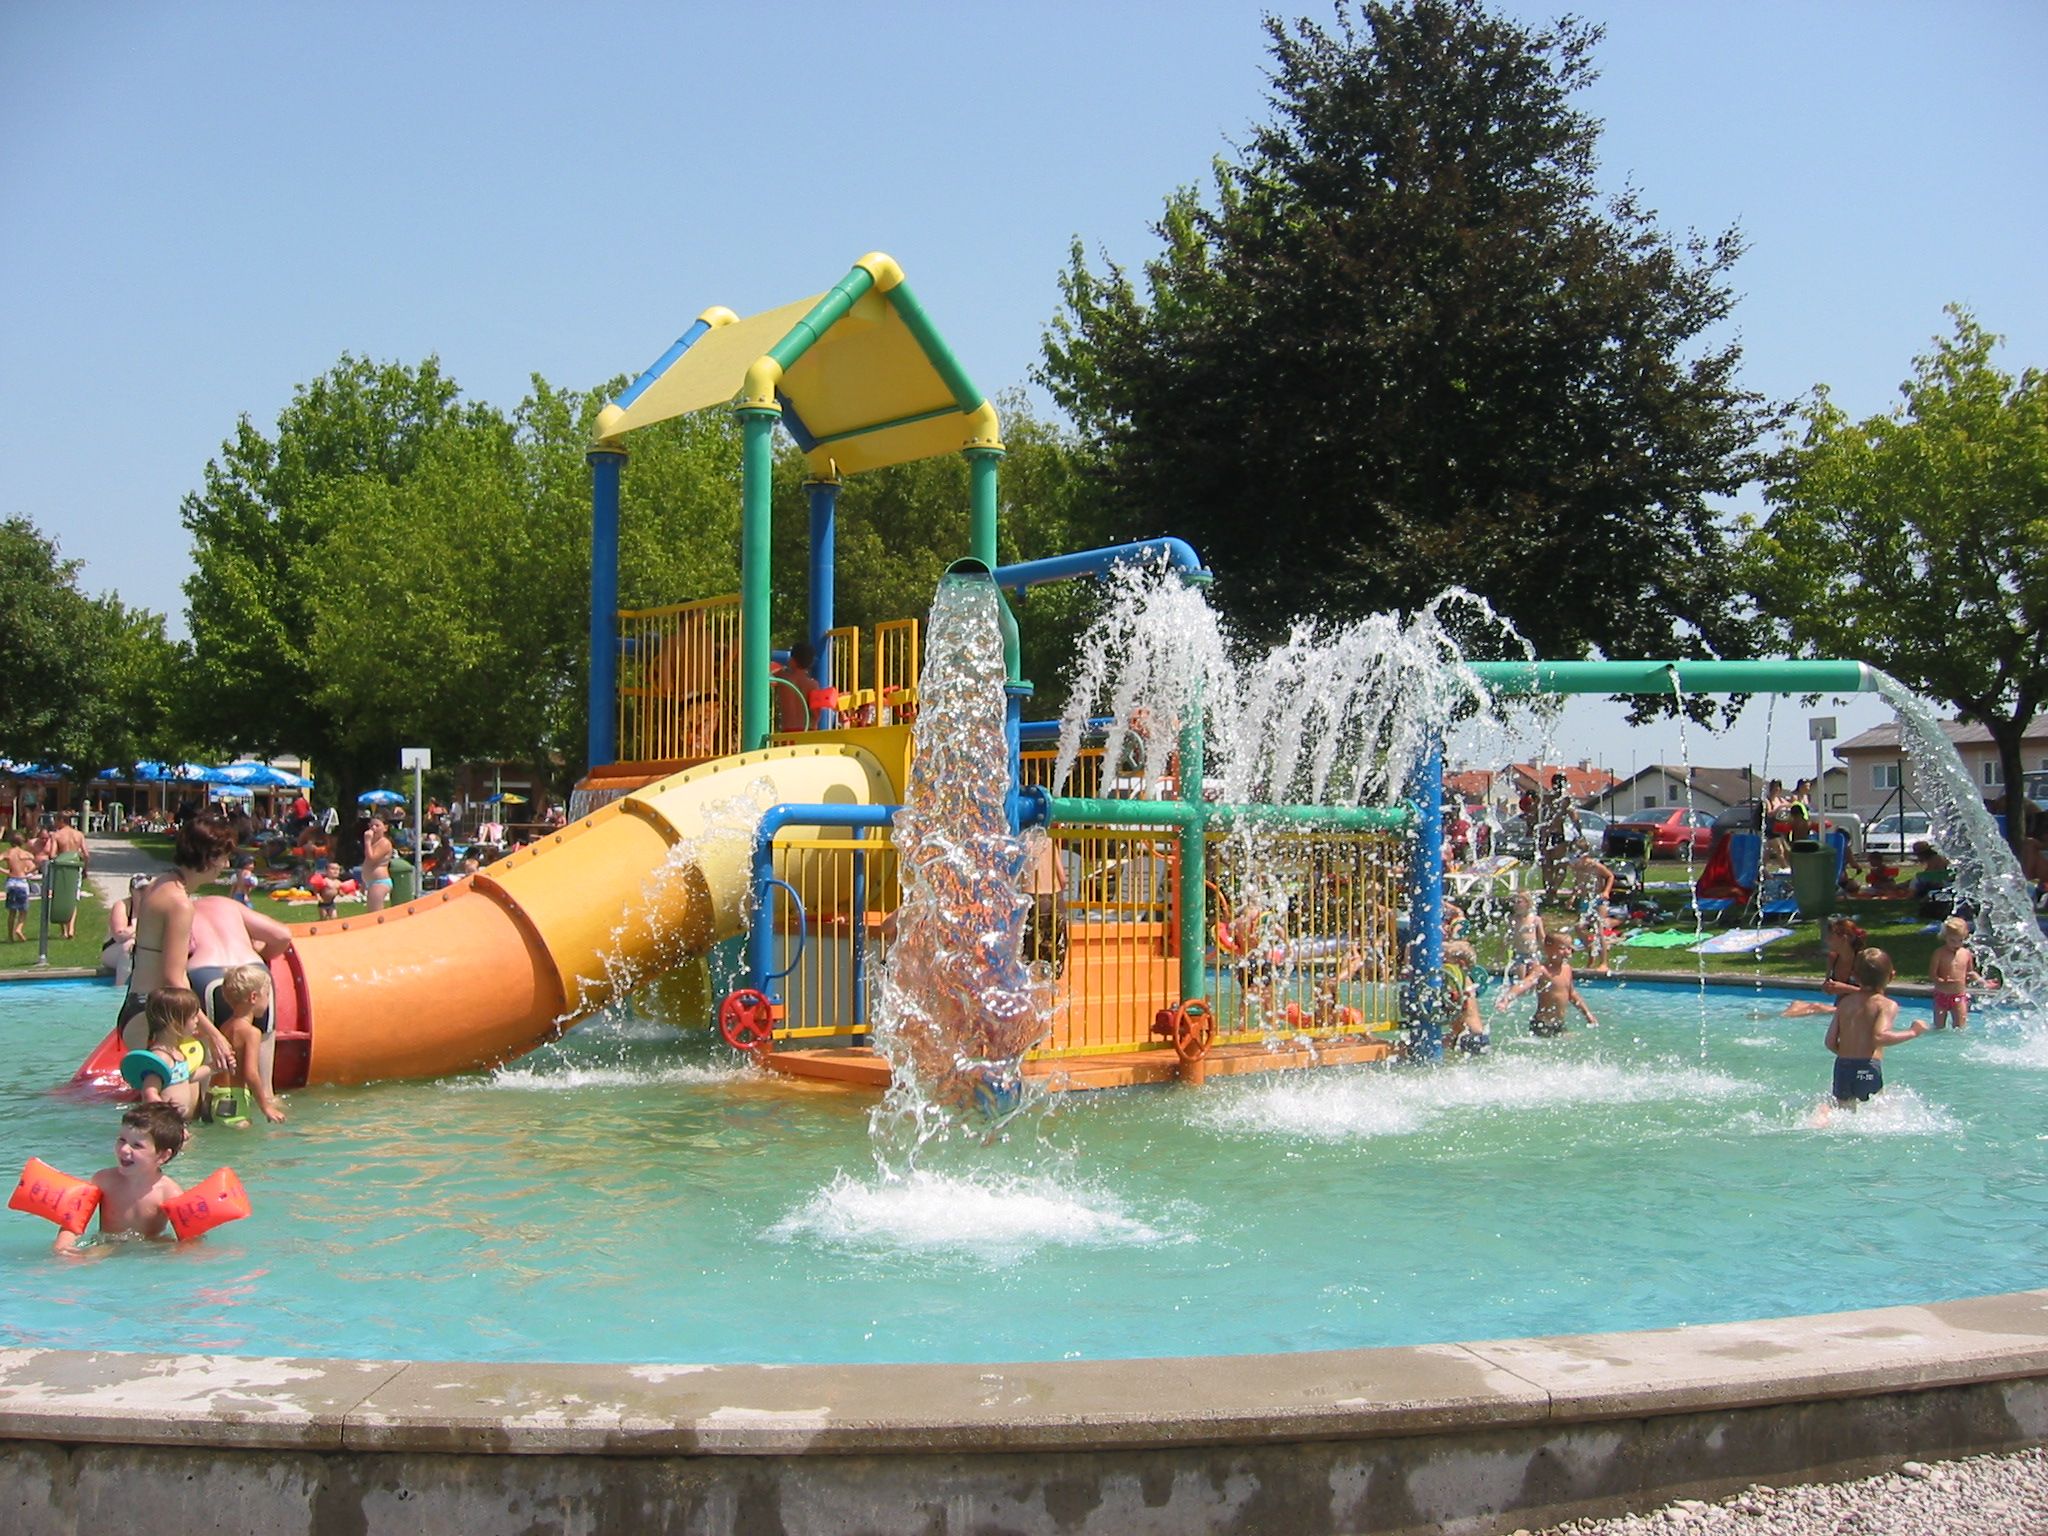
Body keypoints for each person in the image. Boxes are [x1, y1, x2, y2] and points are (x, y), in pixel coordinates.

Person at [119, 815, 240, 1070]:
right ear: (208, 857)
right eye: (223, 857)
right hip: (155, 1018)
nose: (226, 864)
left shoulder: (159, 884)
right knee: (181, 1089)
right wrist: (214, 1035)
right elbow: (173, 979)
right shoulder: (179, 904)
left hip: (137, 1007)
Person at [50, 1103, 188, 1256]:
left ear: (163, 1156)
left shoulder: (169, 1193)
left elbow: (189, 1238)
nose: (124, 1149)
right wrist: (63, 1246)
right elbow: (73, 1221)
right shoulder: (104, 1181)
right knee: (89, 1255)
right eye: (122, 1140)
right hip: (107, 1245)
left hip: (149, 1250)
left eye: (137, 1145)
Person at [1824, 948, 1929, 1109]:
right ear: (1892, 976)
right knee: (1875, 1111)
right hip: (1867, 1066)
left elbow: (1830, 1042)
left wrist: (1849, 1057)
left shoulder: (1844, 1003)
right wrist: (1913, 1032)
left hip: (1842, 1066)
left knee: (1844, 1111)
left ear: (1855, 976)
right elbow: (1880, 1037)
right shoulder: (1886, 1005)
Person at [124, 986, 214, 1121]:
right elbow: (149, 1093)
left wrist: (214, 1067)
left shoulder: (176, 1051)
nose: (197, 1020)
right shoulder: (161, 1057)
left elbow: (185, 1078)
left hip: (177, 1123)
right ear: (174, 1023)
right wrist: (167, 1121)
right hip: (164, 1124)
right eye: (193, 1017)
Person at [1494, 927, 1598, 1037]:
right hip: (1542, 1024)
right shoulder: (1542, 970)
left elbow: (1572, 994)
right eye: (1562, 948)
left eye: (1569, 948)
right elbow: (1525, 983)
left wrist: (1587, 1014)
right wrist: (1507, 999)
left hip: (1559, 1024)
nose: (1567, 952)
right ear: (1548, 949)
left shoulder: (1567, 969)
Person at [216, 961, 286, 1122]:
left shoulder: (225, 1027)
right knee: (241, 1130)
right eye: (267, 994)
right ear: (254, 997)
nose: (268, 1000)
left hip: (213, 1094)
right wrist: (266, 1107)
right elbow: (251, 1074)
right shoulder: (252, 1032)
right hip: (233, 1099)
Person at [1782, 915, 1868, 1018]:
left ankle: (1778, 1020)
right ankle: (1780, 1019)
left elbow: (1875, 994)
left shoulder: (1862, 960)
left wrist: (1845, 988)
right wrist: (1827, 987)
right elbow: (1828, 987)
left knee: (1816, 1006)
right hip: (1840, 1007)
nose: (1827, 940)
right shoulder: (1833, 958)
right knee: (1796, 1003)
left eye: (1831, 937)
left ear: (1844, 939)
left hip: (1858, 1009)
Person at [1929, 916, 1986, 1030]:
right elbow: (1932, 974)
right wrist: (1940, 980)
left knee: (1960, 1027)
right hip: (1941, 994)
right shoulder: (1939, 953)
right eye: (1952, 941)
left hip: (1959, 995)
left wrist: (1981, 981)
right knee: (1938, 1027)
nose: (1956, 944)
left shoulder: (1966, 954)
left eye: (1960, 941)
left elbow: (1970, 972)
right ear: (1945, 937)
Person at [101, 872, 153, 987]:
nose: (144, 893)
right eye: (140, 890)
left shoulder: (155, 907)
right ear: (132, 891)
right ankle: (120, 989)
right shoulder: (122, 906)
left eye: (147, 889)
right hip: (114, 950)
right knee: (130, 947)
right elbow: (119, 936)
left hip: (144, 949)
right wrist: (142, 927)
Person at [1568, 850, 1616, 972]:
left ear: (1584, 856)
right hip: (1585, 900)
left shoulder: (1595, 866)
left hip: (1598, 900)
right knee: (1579, 927)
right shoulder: (1576, 867)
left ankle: (1604, 963)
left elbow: (1610, 876)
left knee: (1599, 930)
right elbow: (1578, 883)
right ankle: (1591, 949)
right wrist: (1573, 896)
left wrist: (1606, 891)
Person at [48, 811, 88, 938]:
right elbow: (86, 854)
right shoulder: (79, 834)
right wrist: (85, 868)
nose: (55, 823)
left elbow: (52, 854)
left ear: (61, 820)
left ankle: (64, 931)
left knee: (61, 897)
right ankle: (71, 928)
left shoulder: (57, 835)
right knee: (72, 897)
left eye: (56, 820)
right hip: (75, 867)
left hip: (61, 867)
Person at [774, 641, 822, 733]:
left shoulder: (782, 677)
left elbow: (768, 669)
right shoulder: (813, 684)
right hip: (807, 730)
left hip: (787, 731)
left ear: (792, 660)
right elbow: (816, 713)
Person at [2, 830, 34, 942]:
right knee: (23, 910)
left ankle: (10, 936)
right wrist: (27, 872)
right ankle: (19, 929)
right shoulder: (25, 854)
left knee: (12, 911)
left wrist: (6, 871)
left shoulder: (8, 853)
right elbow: (33, 865)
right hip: (22, 882)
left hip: (11, 882)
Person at [361, 815, 394, 913]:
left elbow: (371, 859)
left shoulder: (384, 843)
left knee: (376, 913)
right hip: (371, 882)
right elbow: (367, 863)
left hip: (379, 882)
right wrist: (364, 882)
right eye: (371, 826)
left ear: (385, 828)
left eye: (377, 825)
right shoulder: (372, 843)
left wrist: (367, 841)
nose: (373, 828)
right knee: (370, 913)